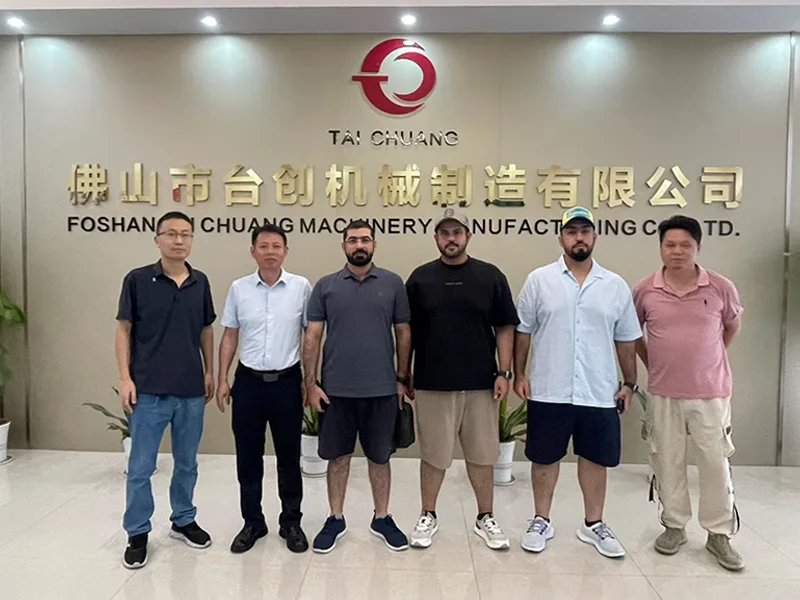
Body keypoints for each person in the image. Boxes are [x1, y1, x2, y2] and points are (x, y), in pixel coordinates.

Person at [513, 206, 641, 558]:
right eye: (572, 232)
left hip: (598, 390)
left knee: (595, 459)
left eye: (585, 231)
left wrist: (630, 383)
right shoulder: (539, 280)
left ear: (594, 237)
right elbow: (523, 330)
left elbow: (626, 338)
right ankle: (541, 519)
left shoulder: (614, 285)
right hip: (549, 388)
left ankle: (593, 523)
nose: (579, 238)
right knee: (544, 459)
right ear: (561, 238)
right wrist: (519, 374)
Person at [633, 215, 744, 571]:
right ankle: (674, 525)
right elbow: (632, 334)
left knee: (715, 462)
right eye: (670, 244)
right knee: (667, 460)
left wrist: (707, 360)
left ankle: (719, 533)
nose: (677, 251)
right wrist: (655, 365)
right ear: (661, 248)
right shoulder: (645, 290)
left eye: (685, 245)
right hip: (663, 392)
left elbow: (731, 327)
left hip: (710, 392)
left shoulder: (720, 287)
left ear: (698, 247)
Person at [405, 207, 519, 551]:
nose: (451, 238)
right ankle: (428, 514)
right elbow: (405, 331)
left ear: (468, 236)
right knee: (434, 456)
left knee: (482, 456)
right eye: (445, 233)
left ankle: (486, 517)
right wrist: (403, 373)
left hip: (481, 384)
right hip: (432, 384)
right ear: (436, 238)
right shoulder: (420, 279)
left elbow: (505, 326)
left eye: (457, 232)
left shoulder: (490, 276)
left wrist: (504, 372)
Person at [303, 219, 412, 554]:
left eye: (365, 239)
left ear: (374, 245)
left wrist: (402, 379)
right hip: (336, 392)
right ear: (344, 246)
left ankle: (382, 517)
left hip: (382, 390)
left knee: (380, 458)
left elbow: (404, 332)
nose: (359, 245)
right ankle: (335, 518)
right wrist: (311, 384)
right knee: (338, 459)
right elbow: (312, 336)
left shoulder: (393, 283)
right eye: (353, 240)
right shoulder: (326, 286)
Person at [115, 211, 216, 570]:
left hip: (190, 390)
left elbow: (206, 329)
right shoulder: (138, 280)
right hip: (148, 391)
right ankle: (137, 531)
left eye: (185, 234)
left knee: (187, 463)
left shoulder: (200, 282)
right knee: (141, 467)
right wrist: (125, 378)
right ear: (157, 239)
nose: (178, 240)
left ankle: (183, 519)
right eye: (171, 234)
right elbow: (123, 330)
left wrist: (210, 371)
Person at [217, 223, 312, 554]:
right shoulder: (239, 288)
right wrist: (222, 378)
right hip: (248, 384)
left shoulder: (301, 287)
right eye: (264, 246)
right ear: (253, 251)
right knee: (248, 457)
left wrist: (309, 380)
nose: (270, 251)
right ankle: (252, 522)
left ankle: (291, 522)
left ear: (285, 251)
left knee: (289, 457)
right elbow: (230, 335)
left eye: (276, 246)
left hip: (287, 383)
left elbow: (311, 337)